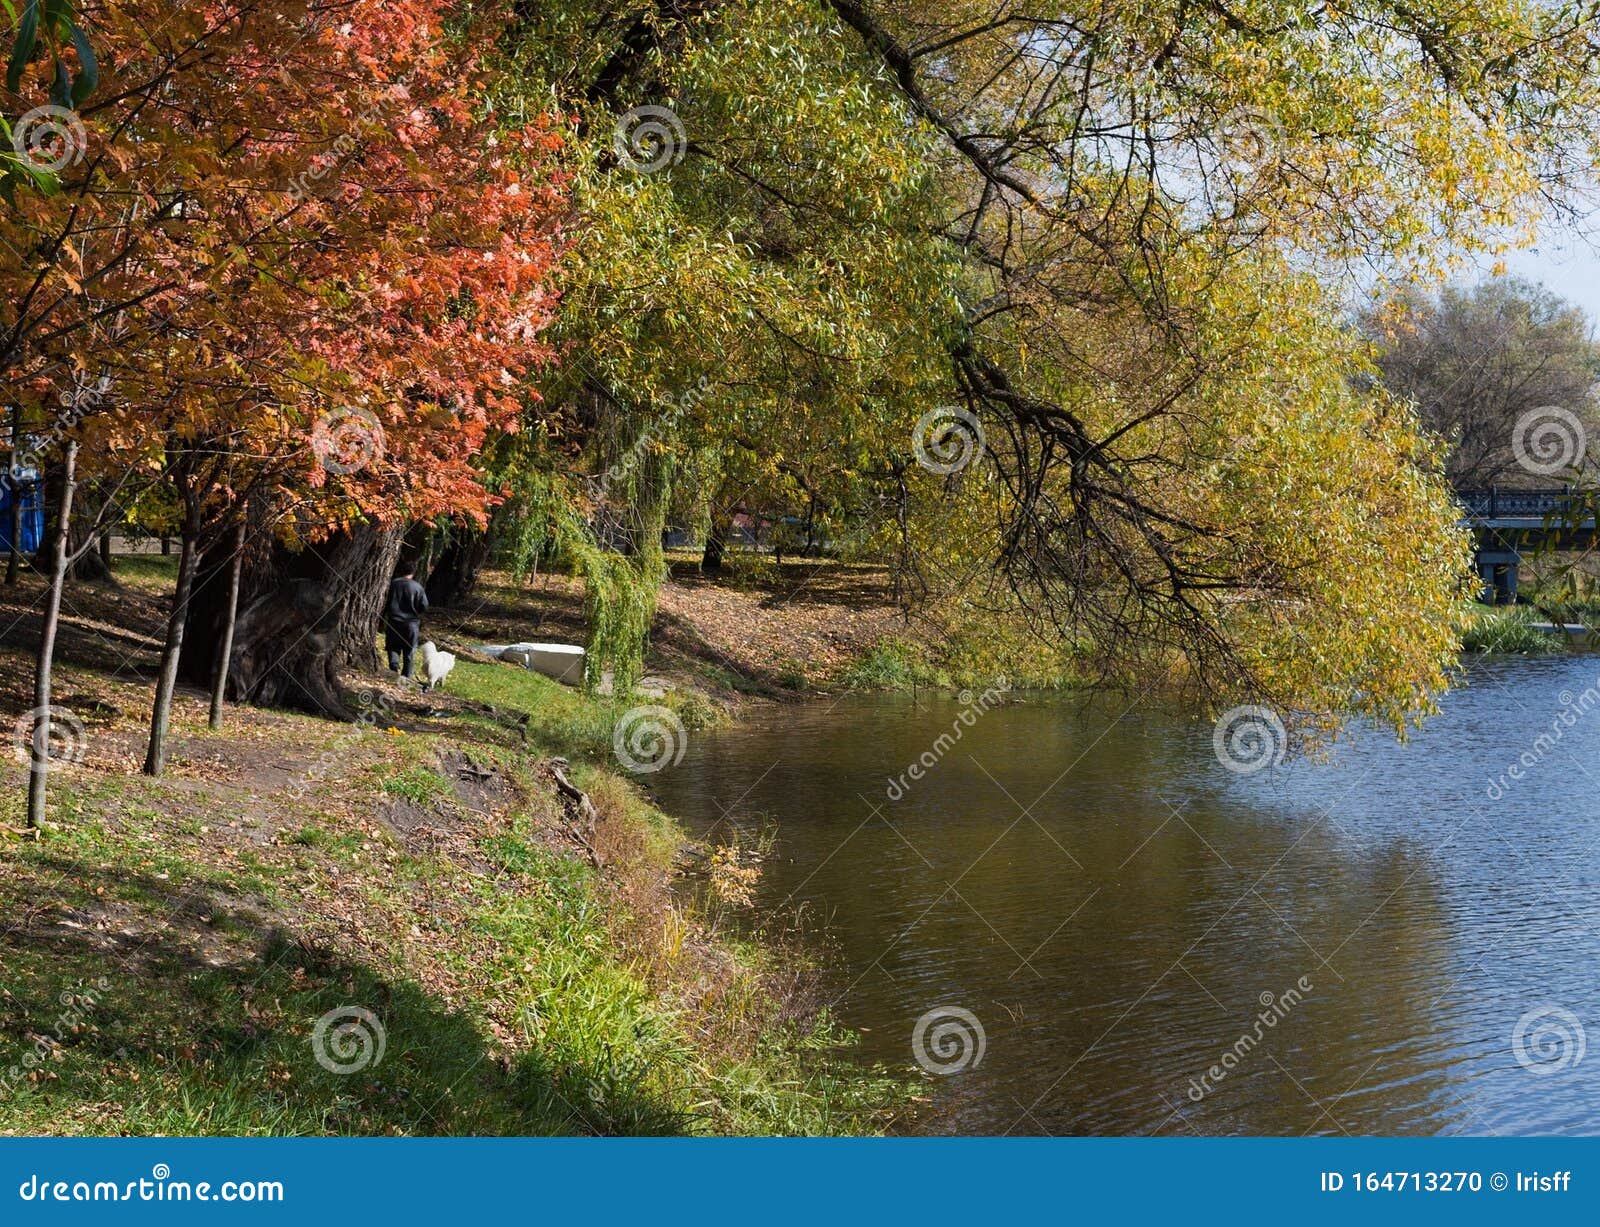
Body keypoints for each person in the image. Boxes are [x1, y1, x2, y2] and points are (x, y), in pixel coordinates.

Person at [383, 566, 430, 679]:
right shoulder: (418, 587)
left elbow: (385, 600)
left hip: (394, 621)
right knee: (409, 650)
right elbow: (424, 606)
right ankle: (407, 676)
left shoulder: (393, 584)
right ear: (413, 573)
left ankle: (393, 669)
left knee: (393, 646)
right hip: (411, 624)